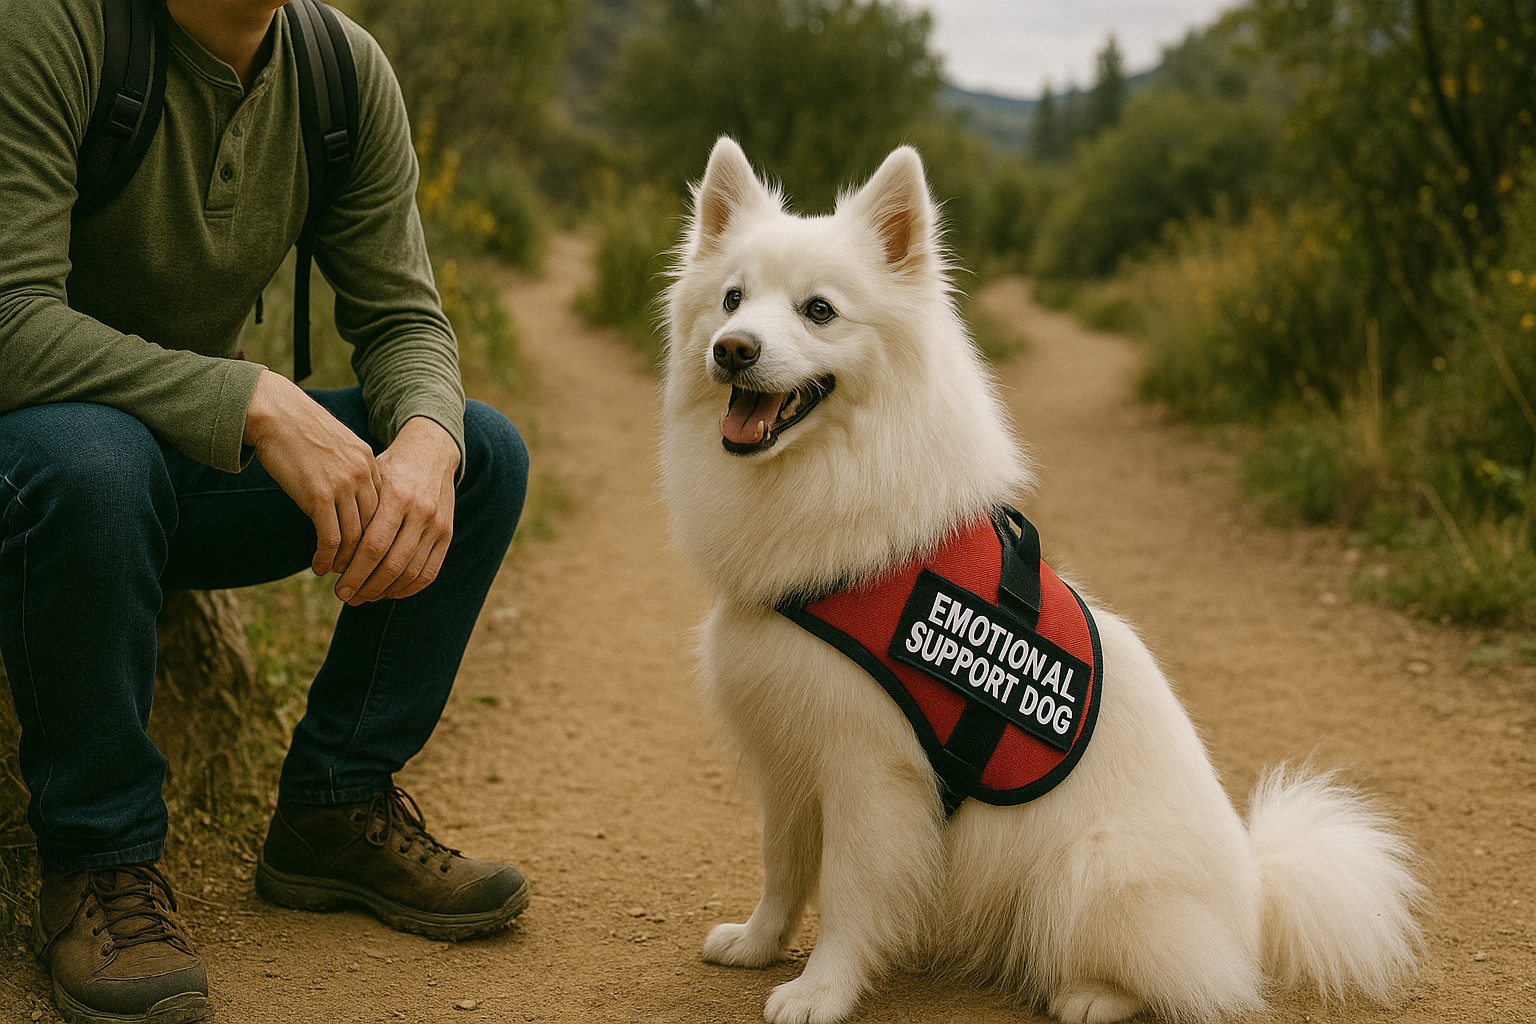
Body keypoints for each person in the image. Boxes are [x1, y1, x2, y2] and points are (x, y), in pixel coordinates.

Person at [0, 0, 532, 1020]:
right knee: (99, 462)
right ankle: (98, 860)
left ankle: (334, 805)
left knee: (485, 452)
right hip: (38, 466)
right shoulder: (49, 27)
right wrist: (248, 398)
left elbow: (403, 316)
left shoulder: (341, 72)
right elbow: (13, 319)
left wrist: (428, 437)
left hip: (169, 474)